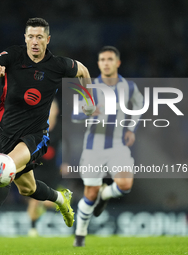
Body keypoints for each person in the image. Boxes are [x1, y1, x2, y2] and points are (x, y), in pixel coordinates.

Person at [0, 18, 94, 243]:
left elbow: (82, 70)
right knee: (28, 189)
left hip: (36, 135)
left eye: (39, 37)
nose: (35, 41)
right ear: (25, 38)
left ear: (48, 40)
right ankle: (61, 200)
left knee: (4, 169)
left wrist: (89, 98)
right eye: (31, 37)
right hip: (8, 133)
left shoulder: (58, 65)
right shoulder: (13, 56)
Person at [72, 46, 144, 247]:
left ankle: (106, 193)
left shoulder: (129, 87)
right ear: (98, 63)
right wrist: (87, 112)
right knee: (90, 194)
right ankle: (80, 235)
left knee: (125, 184)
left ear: (118, 62)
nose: (106, 62)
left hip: (118, 146)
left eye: (110, 59)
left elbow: (139, 105)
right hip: (93, 148)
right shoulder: (90, 87)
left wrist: (132, 129)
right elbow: (74, 115)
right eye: (102, 59)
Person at [27, 99, 62, 237]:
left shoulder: (60, 129)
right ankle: (33, 229)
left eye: (52, 108)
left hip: (53, 171)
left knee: (50, 202)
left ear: (57, 111)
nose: (49, 111)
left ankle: (41, 210)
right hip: (38, 167)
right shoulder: (37, 127)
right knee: (34, 199)